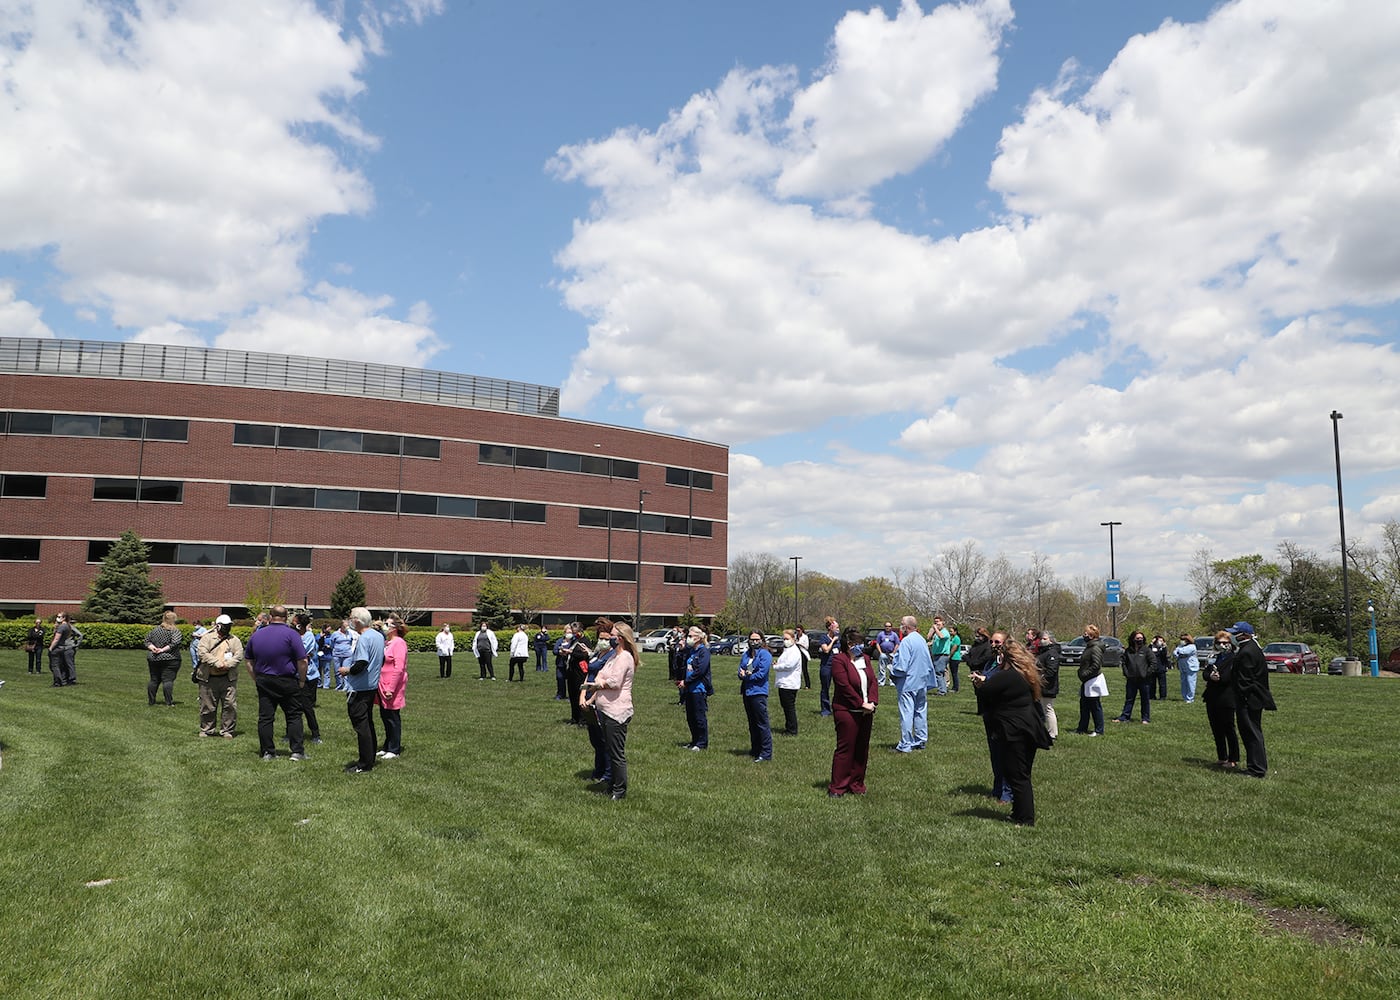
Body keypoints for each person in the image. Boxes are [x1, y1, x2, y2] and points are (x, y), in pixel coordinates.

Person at [971, 637, 1044, 826]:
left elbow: (985, 692)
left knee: (1017, 775)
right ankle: (1018, 812)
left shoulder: (1008, 675)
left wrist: (979, 683)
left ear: (1006, 657)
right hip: (1028, 727)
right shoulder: (1025, 673)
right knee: (1020, 773)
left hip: (1016, 730)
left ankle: (1026, 818)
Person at [244, 605, 308, 761]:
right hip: (287, 679)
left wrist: (256, 678)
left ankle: (268, 752)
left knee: (266, 717)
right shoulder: (292, 635)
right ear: (286, 617)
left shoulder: (257, 635)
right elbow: (303, 660)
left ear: (270, 617)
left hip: (264, 679)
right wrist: (301, 680)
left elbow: (248, 660)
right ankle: (297, 751)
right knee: (293, 716)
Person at [583, 622, 638, 801]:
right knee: (608, 749)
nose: (610, 638)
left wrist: (598, 684)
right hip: (605, 709)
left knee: (616, 753)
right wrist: (599, 682)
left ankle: (619, 791)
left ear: (620, 638)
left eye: (613, 635)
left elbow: (614, 682)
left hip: (617, 711)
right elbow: (601, 673)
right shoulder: (614, 656)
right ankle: (612, 784)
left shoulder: (625, 657)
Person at [827, 626, 878, 797]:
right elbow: (844, 686)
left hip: (866, 712)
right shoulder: (839, 660)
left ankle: (856, 784)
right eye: (858, 643)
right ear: (849, 644)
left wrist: (872, 702)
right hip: (847, 710)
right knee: (845, 749)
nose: (861, 646)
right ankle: (838, 787)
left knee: (861, 749)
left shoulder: (865, 659)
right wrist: (860, 704)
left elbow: (873, 681)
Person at [338, 607, 384, 773]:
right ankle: (369, 758)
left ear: (356, 620)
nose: (349, 621)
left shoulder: (364, 639)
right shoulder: (378, 636)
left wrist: (346, 670)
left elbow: (361, 663)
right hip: (371, 686)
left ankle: (364, 764)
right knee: (368, 723)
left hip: (359, 688)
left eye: (351, 618)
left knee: (361, 726)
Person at [1228, 622, 1275, 778]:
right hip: (1251, 698)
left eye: (1236, 634)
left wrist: (1240, 695)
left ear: (1245, 635)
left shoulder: (1247, 651)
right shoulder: (1251, 648)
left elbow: (1245, 680)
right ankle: (1254, 765)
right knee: (1251, 733)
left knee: (1251, 733)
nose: (1233, 637)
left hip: (1249, 699)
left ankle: (1257, 768)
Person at [973, 632, 1013, 802]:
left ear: (1005, 643)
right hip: (990, 712)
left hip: (1004, 714)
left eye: (997, 641)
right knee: (995, 753)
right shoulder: (991, 661)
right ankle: (997, 790)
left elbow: (1004, 682)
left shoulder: (1009, 664)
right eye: (992, 641)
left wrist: (986, 679)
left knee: (1006, 755)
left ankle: (1007, 793)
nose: (993, 644)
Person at [890, 614, 932, 753]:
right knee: (920, 711)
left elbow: (902, 666)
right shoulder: (921, 640)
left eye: (901, 623)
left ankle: (905, 744)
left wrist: (892, 670)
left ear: (906, 627)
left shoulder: (907, 642)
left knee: (906, 713)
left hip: (908, 683)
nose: (900, 626)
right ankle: (920, 740)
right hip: (921, 682)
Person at [196, 614, 242, 738]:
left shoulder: (234, 640)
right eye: (225, 625)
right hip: (208, 677)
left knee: (230, 705)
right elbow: (202, 653)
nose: (228, 628)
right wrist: (216, 663)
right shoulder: (207, 638)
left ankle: (227, 731)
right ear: (218, 626)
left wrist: (227, 665)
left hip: (228, 678)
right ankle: (206, 729)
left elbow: (238, 655)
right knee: (208, 706)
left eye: (229, 625)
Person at [581, 619, 616, 785]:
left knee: (604, 740)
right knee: (595, 739)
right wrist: (582, 696)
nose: (603, 641)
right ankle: (598, 769)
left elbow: (604, 682)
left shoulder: (612, 656)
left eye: (606, 639)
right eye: (601, 638)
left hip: (600, 700)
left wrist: (592, 700)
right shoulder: (596, 654)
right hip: (587, 697)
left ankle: (607, 774)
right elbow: (589, 675)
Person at [1202, 629, 1239, 769]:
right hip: (1212, 696)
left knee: (1228, 728)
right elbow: (1205, 672)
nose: (1222, 645)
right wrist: (1209, 676)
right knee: (1216, 728)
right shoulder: (1214, 657)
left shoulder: (1234, 658)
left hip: (1227, 697)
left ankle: (1233, 758)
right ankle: (1221, 756)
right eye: (1219, 642)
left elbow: (1229, 676)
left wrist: (1219, 678)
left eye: (1225, 642)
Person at [738, 630, 773, 763]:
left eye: (757, 639)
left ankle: (766, 753)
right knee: (752, 723)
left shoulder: (765, 655)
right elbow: (740, 670)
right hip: (747, 692)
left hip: (758, 693)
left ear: (762, 640)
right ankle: (755, 750)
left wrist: (747, 675)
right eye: (752, 639)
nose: (754, 642)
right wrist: (743, 674)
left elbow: (761, 674)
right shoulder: (746, 654)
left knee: (762, 723)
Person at [377, 616, 408, 759]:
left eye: (387, 624)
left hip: (392, 686)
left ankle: (394, 749)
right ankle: (387, 745)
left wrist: (391, 688)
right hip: (382, 684)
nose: (384, 626)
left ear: (394, 628)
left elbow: (399, 668)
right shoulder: (387, 643)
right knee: (385, 715)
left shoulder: (399, 643)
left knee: (392, 717)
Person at [678, 627, 712, 750]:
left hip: (699, 688)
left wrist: (686, 681)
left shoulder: (704, 652)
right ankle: (694, 741)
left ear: (699, 637)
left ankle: (702, 743)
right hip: (689, 689)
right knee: (690, 717)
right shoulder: (691, 651)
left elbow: (700, 670)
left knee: (699, 717)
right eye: (689, 636)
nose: (689, 638)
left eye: (692, 636)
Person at [144, 611, 184, 707]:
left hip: (154, 658)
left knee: (154, 680)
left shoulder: (155, 630)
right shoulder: (175, 631)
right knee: (168, 680)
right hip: (170, 659)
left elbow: (146, 641)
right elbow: (175, 643)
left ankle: (151, 701)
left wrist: (153, 648)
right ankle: (168, 702)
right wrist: (162, 650)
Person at [293, 613, 322, 744]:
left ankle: (315, 734)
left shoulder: (309, 636)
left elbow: (302, 652)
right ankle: (291, 733)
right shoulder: (293, 635)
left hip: (308, 676)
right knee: (293, 707)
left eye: (294, 622)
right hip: (294, 675)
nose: (292, 624)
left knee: (307, 707)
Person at [1114, 631, 1153, 724]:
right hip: (1131, 679)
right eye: (1137, 638)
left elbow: (1153, 663)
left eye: (1141, 638)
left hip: (1144, 680)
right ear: (1133, 639)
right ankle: (1125, 717)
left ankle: (1145, 718)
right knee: (1129, 699)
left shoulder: (1147, 650)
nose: (1139, 640)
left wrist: (1147, 673)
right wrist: (1126, 673)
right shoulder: (1128, 651)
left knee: (1145, 699)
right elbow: (1123, 662)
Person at [1076, 624, 1107, 737]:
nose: (1083, 635)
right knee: (1084, 705)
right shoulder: (1089, 646)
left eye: (1086, 634)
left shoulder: (1095, 647)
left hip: (1093, 680)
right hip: (1087, 680)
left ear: (1092, 635)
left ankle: (1099, 730)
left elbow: (1096, 665)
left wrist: (1085, 674)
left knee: (1095, 706)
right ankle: (1081, 728)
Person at [772, 629, 803, 736]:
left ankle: (792, 730)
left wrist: (776, 667)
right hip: (784, 682)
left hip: (789, 684)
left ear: (793, 639)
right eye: (784, 639)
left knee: (789, 707)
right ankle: (788, 727)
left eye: (787, 639)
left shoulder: (794, 651)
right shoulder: (787, 650)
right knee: (785, 706)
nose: (785, 641)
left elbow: (789, 665)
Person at [1034, 630, 1061, 741]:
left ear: (1050, 640)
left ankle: (1052, 733)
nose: (1042, 641)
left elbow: (1051, 671)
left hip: (1048, 686)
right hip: (1040, 685)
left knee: (1048, 709)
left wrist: (1041, 679)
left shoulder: (1052, 653)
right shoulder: (1043, 652)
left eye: (1044, 639)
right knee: (1042, 708)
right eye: (1041, 639)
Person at [48, 612, 79, 686]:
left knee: (54, 665)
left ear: (64, 618)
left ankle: (58, 681)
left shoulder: (62, 627)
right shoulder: (67, 626)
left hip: (58, 648)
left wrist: (51, 648)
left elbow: (56, 639)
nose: (57, 618)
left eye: (59, 617)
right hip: (63, 648)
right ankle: (63, 679)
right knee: (61, 665)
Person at [817, 617, 839, 716]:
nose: (838, 630)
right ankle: (825, 710)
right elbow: (826, 650)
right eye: (836, 628)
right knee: (825, 687)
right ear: (830, 628)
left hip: (837, 666)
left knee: (839, 688)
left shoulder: (839, 639)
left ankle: (837, 708)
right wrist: (833, 640)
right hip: (826, 666)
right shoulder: (824, 638)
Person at [927, 616, 953, 696]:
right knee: (937, 672)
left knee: (939, 673)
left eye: (938, 622)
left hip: (942, 655)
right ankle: (942, 689)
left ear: (943, 623)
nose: (936, 624)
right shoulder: (936, 632)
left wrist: (936, 629)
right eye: (935, 622)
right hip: (936, 655)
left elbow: (941, 637)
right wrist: (931, 631)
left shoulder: (945, 632)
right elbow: (928, 638)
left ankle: (942, 691)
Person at [1174, 633, 1200, 703]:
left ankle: (1190, 698)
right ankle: (1185, 697)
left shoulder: (1192, 646)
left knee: (1190, 682)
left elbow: (1184, 652)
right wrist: (1178, 652)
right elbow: (1175, 653)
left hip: (1191, 667)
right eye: (1181, 639)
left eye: (1183, 639)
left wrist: (1179, 651)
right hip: (1183, 667)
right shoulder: (1180, 646)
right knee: (1184, 682)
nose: (1182, 641)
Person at [331, 619, 356, 691]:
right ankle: (339, 685)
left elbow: (351, 642)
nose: (347, 628)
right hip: (337, 654)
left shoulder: (349, 634)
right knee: (337, 671)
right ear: (341, 626)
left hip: (347, 655)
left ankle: (346, 686)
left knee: (346, 670)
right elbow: (332, 643)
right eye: (345, 626)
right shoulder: (335, 634)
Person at [874, 621, 899, 687]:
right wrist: (880, 652)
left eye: (889, 626)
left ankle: (892, 682)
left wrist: (893, 653)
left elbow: (897, 644)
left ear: (891, 627)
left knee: (892, 668)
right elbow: (877, 643)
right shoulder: (881, 634)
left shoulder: (894, 635)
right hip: (883, 654)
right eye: (886, 626)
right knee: (881, 668)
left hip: (891, 654)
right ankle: (881, 682)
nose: (887, 627)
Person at [1150, 635, 1171, 700]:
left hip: (1161, 668)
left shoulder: (1163, 648)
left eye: (1161, 641)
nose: (1160, 642)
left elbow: (1164, 654)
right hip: (1153, 668)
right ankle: (1152, 696)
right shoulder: (1152, 647)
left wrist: (1164, 646)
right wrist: (1151, 643)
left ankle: (1162, 696)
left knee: (1162, 684)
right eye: (1159, 640)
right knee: (1152, 683)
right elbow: (1148, 652)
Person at [948, 626, 964, 693]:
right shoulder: (952, 638)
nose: (950, 632)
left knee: (954, 673)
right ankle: (954, 686)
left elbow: (954, 648)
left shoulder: (957, 638)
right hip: (952, 658)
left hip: (955, 658)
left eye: (951, 631)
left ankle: (956, 688)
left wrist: (950, 655)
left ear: (955, 631)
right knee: (952, 673)